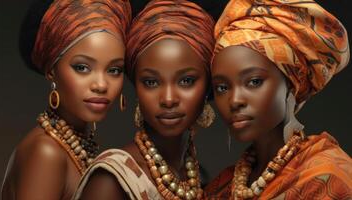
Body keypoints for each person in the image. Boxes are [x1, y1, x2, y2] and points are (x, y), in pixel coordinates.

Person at [204, 0, 352, 199]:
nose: (235, 100)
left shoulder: (329, 177)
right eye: (222, 87)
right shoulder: (221, 188)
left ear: (292, 83)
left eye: (254, 82)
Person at [74, 0, 215, 199]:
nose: (168, 99)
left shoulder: (195, 175)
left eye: (186, 80)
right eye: (151, 82)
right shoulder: (111, 181)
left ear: (209, 85)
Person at [1, 0, 131, 199]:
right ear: (52, 71)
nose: (101, 85)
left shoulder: (73, 146)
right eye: (82, 67)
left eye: (114, 70)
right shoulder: (46, 153)